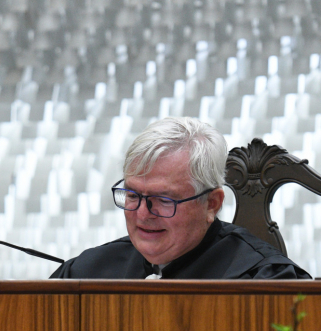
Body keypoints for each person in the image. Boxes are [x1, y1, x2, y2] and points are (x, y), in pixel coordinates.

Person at [51, 117, 311, 279]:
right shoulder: (85, 274)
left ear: (211, 204)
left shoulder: (264, 281)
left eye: (164, 200)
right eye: (132, 195)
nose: (142, 214)